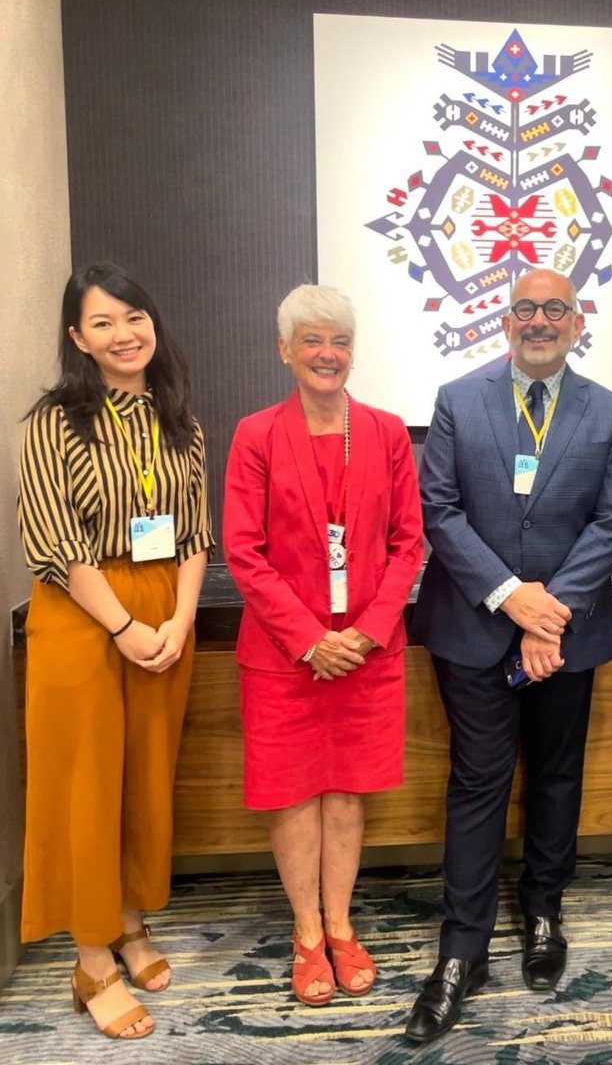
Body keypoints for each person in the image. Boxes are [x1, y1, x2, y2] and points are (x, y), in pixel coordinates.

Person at [405, 267, 612, 1043]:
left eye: (555, 310)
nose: (539, 321)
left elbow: (610, 522)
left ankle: (543, 912)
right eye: (525, 308)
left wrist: (548, 616)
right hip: (472, 625)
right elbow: (437, 509)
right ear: (505, 321)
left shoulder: (607, 412)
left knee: (557, 772)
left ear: (577, 323)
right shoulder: (456, 399)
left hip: (566, 632)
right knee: (477, 779)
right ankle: (460, 950)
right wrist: (511, 598)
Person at [17, 262, 212, 1041]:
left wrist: (180, 620)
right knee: (86, 784)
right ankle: (91, 955)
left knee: (143, 778)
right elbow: (55, 543)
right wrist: (124, 628)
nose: (124, 333)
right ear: (77, 338)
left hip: (167, 615)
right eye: (103, 323)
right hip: (82, 617)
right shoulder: (52, 423)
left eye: (134, 316)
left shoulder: (180, 422)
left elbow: (196, 533)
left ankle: (129, 919)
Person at [223, 283, 423, 1006]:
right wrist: (310, 639)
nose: (326, 353)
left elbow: (409, 543)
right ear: (285, 350)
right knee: (293, 796)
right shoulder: (255, 435)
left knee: (345, 794)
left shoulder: (387, 431)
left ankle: (342, 925)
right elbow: (243, 552)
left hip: (368, 653)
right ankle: (306, 933)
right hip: (283, 656)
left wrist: (366, 632)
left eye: (338, 340)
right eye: (311, 340)